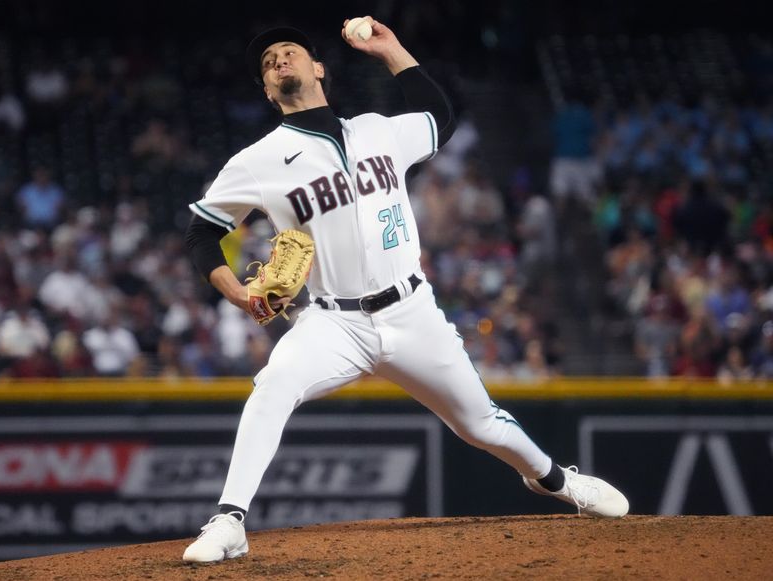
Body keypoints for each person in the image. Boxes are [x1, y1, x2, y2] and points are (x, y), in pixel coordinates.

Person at [182, 17, 629, 564]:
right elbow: (203, 232)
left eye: (289, 50)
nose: (278, 59)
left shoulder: (377, 129)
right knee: (273, 385)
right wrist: (234, 292)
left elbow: (441, 116)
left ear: (318, 67)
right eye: (268, 60)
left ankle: (557, 480)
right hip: (333, 322)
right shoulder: (256, 161)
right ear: (268, 91)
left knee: (481, 425)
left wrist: (391, 49)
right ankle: (230, 519)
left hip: (412, 311)